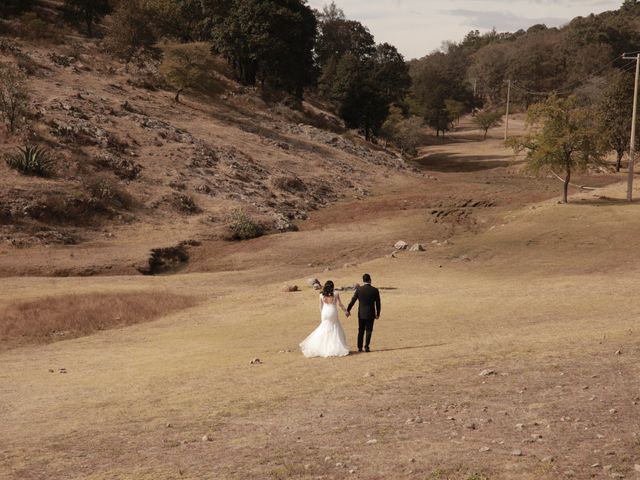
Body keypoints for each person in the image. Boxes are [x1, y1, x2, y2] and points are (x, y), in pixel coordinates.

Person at [299, 280, 350, 358]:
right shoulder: (336, 293)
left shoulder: (321, 295)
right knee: (334, 328)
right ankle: (334, 347)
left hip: (325, 312)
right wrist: (346, 311)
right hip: (333, 312)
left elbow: (320, 306)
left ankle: (321, 347)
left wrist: (322, 315)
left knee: (324, 328)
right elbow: (340, 304)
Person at [347, 273, 381, 352]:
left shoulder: (359, 290)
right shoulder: (375, 290)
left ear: (363, 280)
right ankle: (366, 347)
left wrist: (348, 310)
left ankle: (359, 347)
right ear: (370, 280)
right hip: (370, 313)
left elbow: (353, 300)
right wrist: (378, 313)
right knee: (369, 330)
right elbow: (378, 303)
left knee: (361, 330)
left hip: (361, 313)